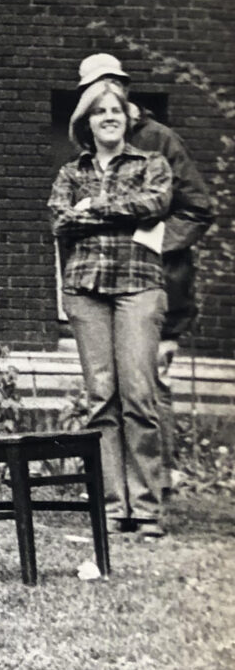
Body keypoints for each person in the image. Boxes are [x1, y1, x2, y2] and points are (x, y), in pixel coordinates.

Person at [75, 54, 215, 490]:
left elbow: (197, 208)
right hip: (104, 290)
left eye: (110, 87)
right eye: (93, 93)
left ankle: (157, 483)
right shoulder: (89, 145)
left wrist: (152, 242)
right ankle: (122, 487)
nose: (104, 100)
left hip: (159, 286)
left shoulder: (160, 140)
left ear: (124, 88)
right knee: (113, 389)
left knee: (150, 385)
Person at [49, 77, 172, 538]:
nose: (109, 118)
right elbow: (60, 218)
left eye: (116, 111)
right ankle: (113, 506)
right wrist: (116, 209)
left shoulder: (152, 163)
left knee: (139, 395)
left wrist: (94, 206)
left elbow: (156, 201)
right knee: (102, 399)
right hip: (84, 289)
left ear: (127, 118)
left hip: (139, 286)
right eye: (100, 112)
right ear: (87, 122)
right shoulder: (69, 171)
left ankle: (146, 507)